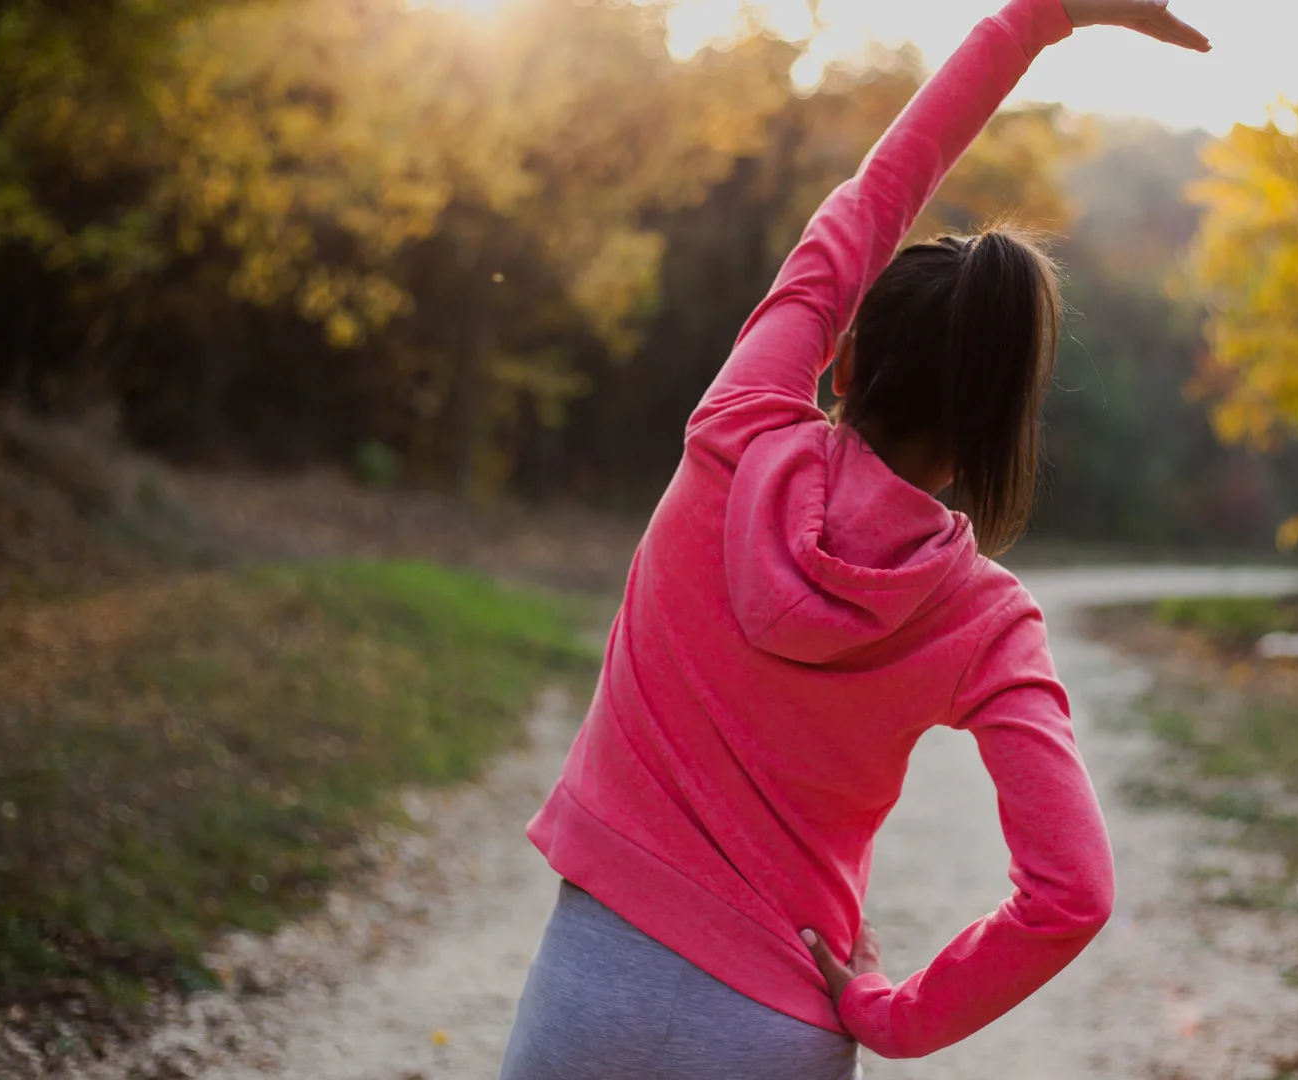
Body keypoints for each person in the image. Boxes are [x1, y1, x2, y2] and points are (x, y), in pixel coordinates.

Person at [498, 1, 1210, 1076]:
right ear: (988, 438)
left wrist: (1036, 17)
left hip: (592, 982)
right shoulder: (987, 619)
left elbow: (874, 199)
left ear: (842, 359)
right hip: (778, 1032)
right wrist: (891, 1015)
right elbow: (1075, 894)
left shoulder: (735, 429)